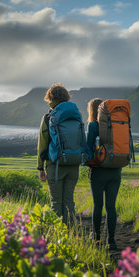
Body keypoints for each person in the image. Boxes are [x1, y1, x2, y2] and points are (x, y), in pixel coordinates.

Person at [37, 83, 79, 226]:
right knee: (69, 201)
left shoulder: (49, 117)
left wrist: (40, 167)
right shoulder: (76, 114)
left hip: (55, 165)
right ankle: (72, 234)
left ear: (51, 98)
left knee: (56, 202)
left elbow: (42, 144)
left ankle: (58, 236)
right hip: (74, 163)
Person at [86, 98, 122, 250]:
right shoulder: (116, 124)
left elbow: (88, 147)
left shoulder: (93, 125)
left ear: (92, 110)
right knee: (111, 207)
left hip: (99, 170)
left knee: (98, 205)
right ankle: (111, 241)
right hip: (116, 170)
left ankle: (97, 240)